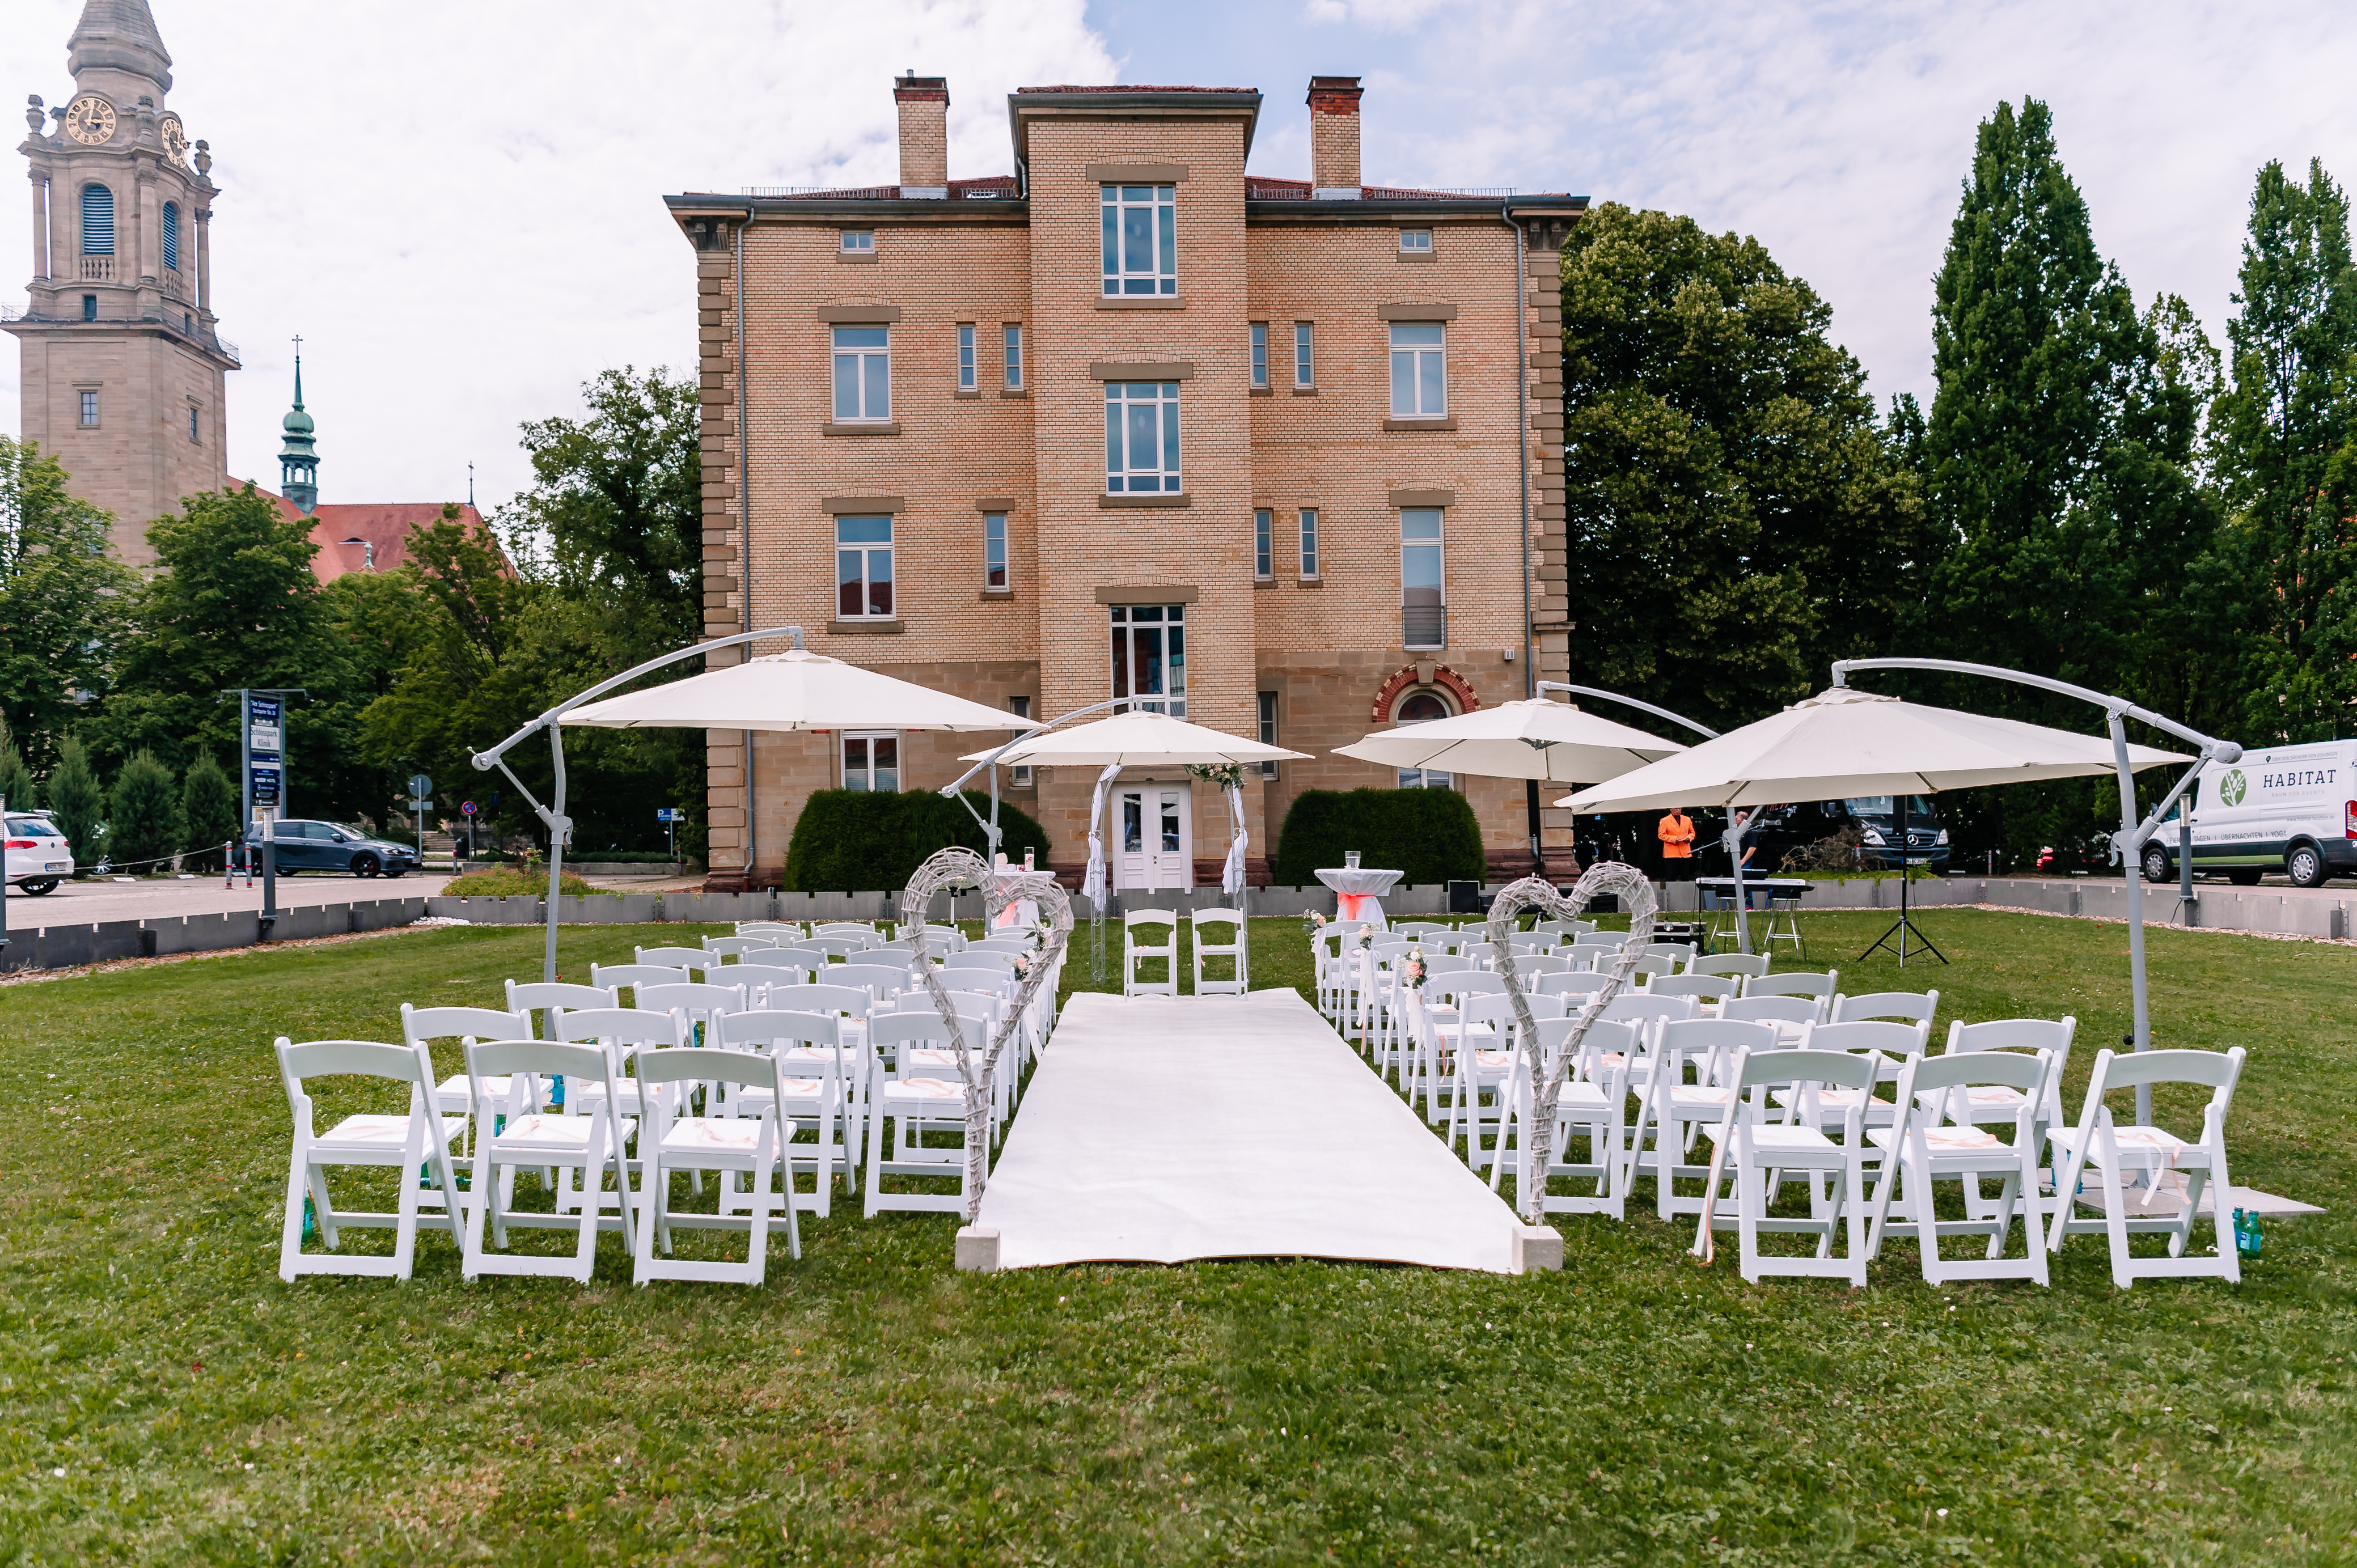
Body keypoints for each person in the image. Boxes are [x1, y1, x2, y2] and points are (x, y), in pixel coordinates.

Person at [1657, 805, 1696, 880]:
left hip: (1685, 853)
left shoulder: (1687, 819)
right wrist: (1674, 839)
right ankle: (1670, 891)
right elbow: (1661, 835)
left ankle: (1685, 891)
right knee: (1671, 876)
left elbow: (1692, 833)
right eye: (1676, 808)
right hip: (1671, 854)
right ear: (1671, 809)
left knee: (1685, 876)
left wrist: (1688, 838)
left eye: (1680, 808)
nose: (1678, 810)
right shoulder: (1665, 820)